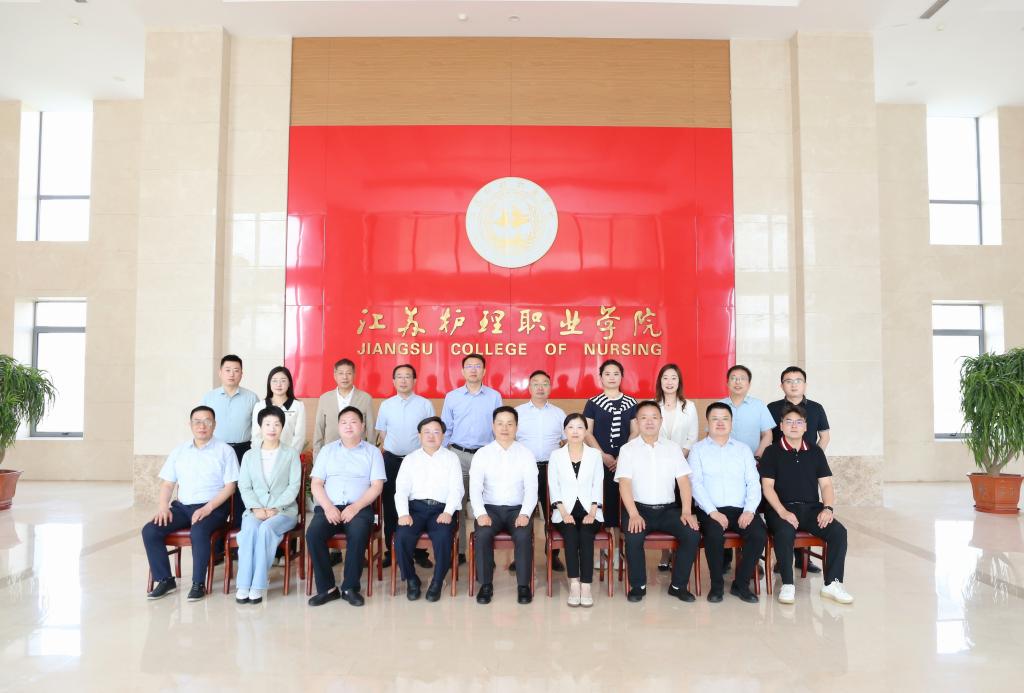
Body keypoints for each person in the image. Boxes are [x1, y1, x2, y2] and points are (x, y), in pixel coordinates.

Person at [142, 406, 239, 602]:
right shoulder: (179, 451)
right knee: (150, 530)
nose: (202, 426)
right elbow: (168, 484)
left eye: (207, 421)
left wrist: (207, 508)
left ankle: (198, 583)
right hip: (182, 508)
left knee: (199, 531)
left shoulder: (225, 451)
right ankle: (165, 580)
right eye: (197, 421)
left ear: (214, 425)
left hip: (213, 508)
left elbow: (230, 487)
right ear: (190, 424)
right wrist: (163, 506)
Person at [760, 403, 853, 605]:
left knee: (838, 532)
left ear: (805, 427)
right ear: (781, 426)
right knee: (784, 532)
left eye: (799, 422)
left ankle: (833, 584)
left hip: (811, 509)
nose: (794, 426)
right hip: (780, 509)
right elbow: (767, 487)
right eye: (789, 422)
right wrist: (782, 511)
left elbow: (826, 485)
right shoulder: (771, 452)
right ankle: (787, 584)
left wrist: (828, 508)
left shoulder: (815, 452)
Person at [615, 400, 701, 603]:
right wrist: (633, 514)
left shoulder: (673, 448)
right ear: (637, 422)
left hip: (668, 510)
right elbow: (624, 484)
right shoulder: (627, 450)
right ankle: (638, 586)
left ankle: (678, 586)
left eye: (654, 417)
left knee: (692, 534)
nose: (649, 422)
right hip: (638, 509)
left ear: (661, 421)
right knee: (633, 537)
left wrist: (686, 511)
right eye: (644, 418)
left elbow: (684, 482)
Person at [306, 406, 386, 607]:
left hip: (359, 508)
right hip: (329, 507)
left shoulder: (373, 452)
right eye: (344, 422)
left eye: (353, 422)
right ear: (338, 426)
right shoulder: (327, 450)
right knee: (313, 534)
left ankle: (350, 588)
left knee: (358, 533)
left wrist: (355, 507)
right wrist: (328, 507)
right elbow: (316, 483)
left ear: (362, 426)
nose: (348, 426)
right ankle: (327, 588)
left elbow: (377, 486)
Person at [688, 402, 765, 604]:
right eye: (715, 419)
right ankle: (716, 586)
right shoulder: (697, 450)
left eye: (725, 419)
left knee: (758, 535)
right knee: (713, 535)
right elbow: (695, 484)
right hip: (710, 510)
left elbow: (753, 482)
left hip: (741, 509)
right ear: (707, 423)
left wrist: (749, 510)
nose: (720, 423)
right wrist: (712, 512)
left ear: (731, 423)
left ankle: (741, 584)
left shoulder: (743, 450)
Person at [470, 406, 538, 605]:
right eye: (500, 423)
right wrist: (480, 513)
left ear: (516, 427)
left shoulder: (526, 454)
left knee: (523, 536)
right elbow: (475, 488)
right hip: (490, 509)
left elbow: (531, 488)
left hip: (517, 509)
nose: (505, 428)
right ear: (493, 426)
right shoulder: (482, 454)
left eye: (510, 424)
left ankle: (523, 586)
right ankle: (485, 585)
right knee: (482, 534)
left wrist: (525, 513)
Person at [767, 366, 831, 575]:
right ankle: (782, 559)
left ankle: (804, 558)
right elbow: (767, 435)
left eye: (798, 380)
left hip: (806, 465)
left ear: (805, 384)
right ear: (781, 385)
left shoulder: (816, 408)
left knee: (807, 505)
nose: (793, 384)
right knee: (782, 510)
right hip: (780, 465)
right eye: (788, 381)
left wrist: (811, 459)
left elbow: (825, 436)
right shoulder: (772, 408)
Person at [234, 406, 302, 604]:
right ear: (260, 427)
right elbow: (244, 486)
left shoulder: (291, 454)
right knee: (249, 531)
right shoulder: (249, 456)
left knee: (266, 530)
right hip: (255, 510)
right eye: (268, 424)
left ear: (282, 427)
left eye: (277, 424)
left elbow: (294, 486)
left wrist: (276, 508)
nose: (272, 428)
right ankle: (243, 584)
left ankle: (258, 584)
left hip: (283, 511)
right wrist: (256, 508)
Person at [441, 353, 503, 565]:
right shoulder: (452, 397)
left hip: (486, 456)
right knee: (457, 503)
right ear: (462, 371)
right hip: (458, 455)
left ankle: (484, 552)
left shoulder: (494, 396)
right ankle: (458, 551)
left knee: (486, 505)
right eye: (469, 366)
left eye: (478, 366)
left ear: (484, 371)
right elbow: (446, 429)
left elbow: (498, 428)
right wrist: (444, 456)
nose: (473, 370)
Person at [394, 416, 464, 602]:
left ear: (443, 435)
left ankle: (437, 581)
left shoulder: (451, 458)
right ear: (419, 436)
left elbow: (457, 489)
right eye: (427, 432)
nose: (431, 436)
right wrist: (403, 514)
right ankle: (411, 579)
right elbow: (401, 489)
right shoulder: (410, 459)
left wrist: (448, 512)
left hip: (441, 510)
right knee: (402, 537)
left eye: (436, 432)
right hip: (415, 510)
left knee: (443, 537)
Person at [376, 363, 437, 571]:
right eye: (399, 377)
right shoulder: (386, 405)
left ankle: (419, 553)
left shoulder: (425, 404)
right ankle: (391, 550)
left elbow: (430, 432)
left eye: (408, 376)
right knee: (390, 505)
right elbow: (383, 434)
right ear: (393, 381)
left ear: (414, 381)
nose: (403, 380)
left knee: (417, 504)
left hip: (417, 461)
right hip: (391, 460)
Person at [583, 359, 638, 565]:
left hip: (625, 462)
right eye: (607, 374)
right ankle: (601, 552)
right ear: (601, 377)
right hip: (599, 462)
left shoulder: (631, 403)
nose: (612, 377)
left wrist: (622, 455)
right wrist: (602, 455)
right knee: (601, 504)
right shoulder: (593, 403)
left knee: (620, 507)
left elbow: (635, 432)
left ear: (622, 377)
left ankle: (617, 552)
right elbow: (587, 432)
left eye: (616, 373)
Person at [548, 413, 604, 607]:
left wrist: (593, 512)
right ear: (564, 431)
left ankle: (586, 585)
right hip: (564, 511)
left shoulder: (595, 455)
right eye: (570, 427)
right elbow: (554, 486)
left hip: (591, 510)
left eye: (580, 427)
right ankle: (574, 584)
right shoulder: (556, 456)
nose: (575, 431)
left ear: (586, 431)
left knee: (586, 535)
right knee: (571, 534)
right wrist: (564, 513)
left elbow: (597, 484)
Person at [515, 370, 566, 573]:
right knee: (521, 512)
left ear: (550, 387)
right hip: (523, 470)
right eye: (535, 383)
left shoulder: (559, 414)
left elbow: (566, 442)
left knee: (553, 514)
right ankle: (521, 555)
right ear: (529, 388)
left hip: (550, 470)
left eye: (545, 383)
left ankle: (553, 555)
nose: (540, 387)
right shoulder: (518, 413)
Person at [654, 363, 698, 572]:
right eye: (665, 378)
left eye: (673, 378)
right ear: (660, 382)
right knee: (664, 508)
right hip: (658, 465)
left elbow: (692, 436)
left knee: (680, 508)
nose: (669, 382)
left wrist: (680, 456)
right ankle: (665, 553)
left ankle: (678, 552)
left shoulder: (689, 406)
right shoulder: (654, 405)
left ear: (679, 382)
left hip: (682, 463)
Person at [202, 355, 260, 463]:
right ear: (220, 373)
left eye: (236, 370)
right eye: (227, 370)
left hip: (243, 450)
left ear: (241, 374)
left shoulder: (252, 398)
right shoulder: (209, 397)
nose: (231, 374)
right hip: (215, 449)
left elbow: (259, 427)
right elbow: (202, 424)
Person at [313, 358, 375, 456]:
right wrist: (317, 458)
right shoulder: (324, 398)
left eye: (348, 373)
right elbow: (319, 429)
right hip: (331, 453)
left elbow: (371, 430)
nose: (345, 377)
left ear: (354, 375)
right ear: (335, 375)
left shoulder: (366, 398)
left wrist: (371, 455)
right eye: (341, 373)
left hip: (358, 453)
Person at [251, 366, 306, 453]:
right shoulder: (260, 406)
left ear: (289, 383)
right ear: (269, 383)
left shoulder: (298, 406)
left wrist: (290, 456)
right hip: (264, 455)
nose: (278, 384)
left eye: (283, 381)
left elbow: (299, 436)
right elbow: (256, 435)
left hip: (289, 456)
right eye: (274, 381)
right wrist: (262, 454)